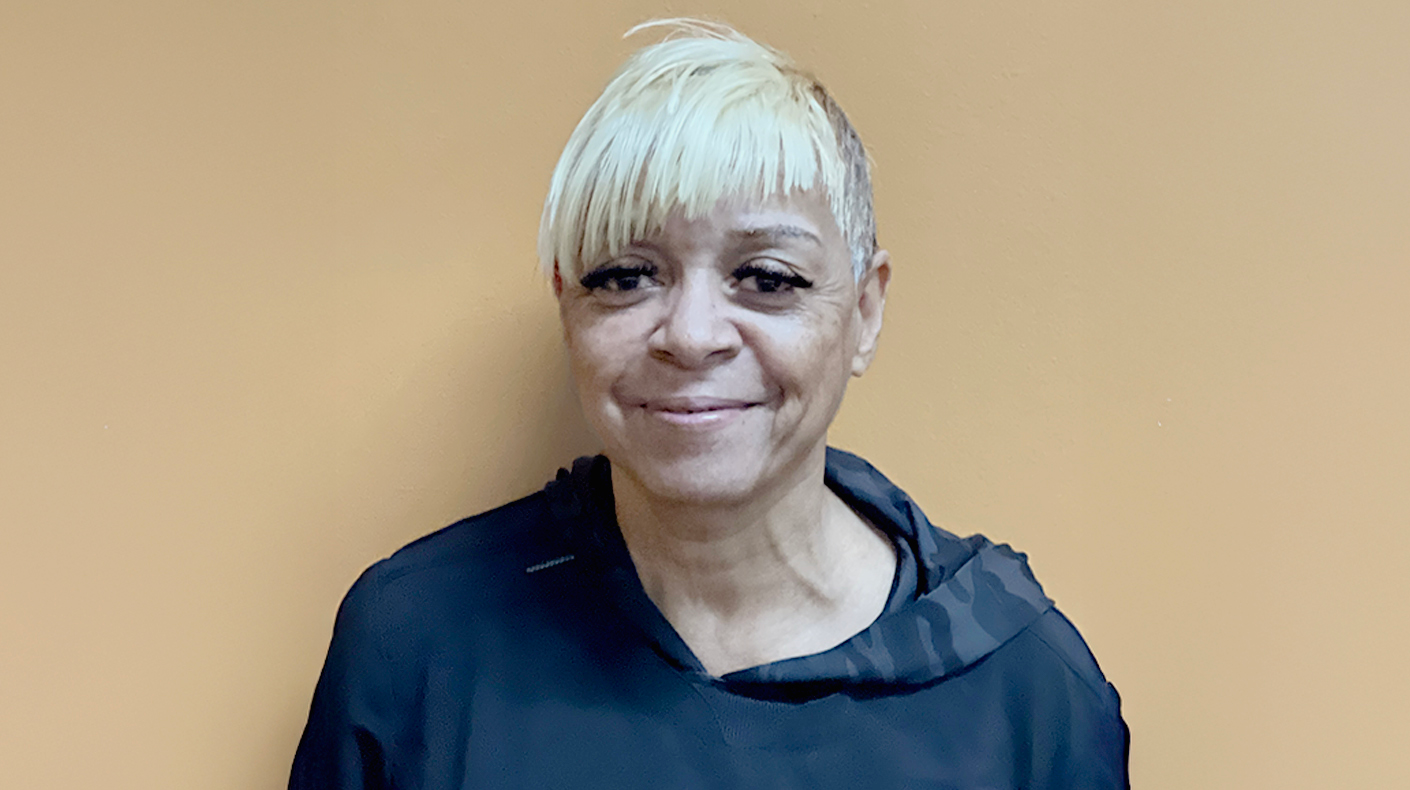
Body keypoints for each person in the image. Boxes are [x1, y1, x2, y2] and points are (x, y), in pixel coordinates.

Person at [290, 19, 1129, 789]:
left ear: (864, 312)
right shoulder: (416, 649)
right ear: (567, 306)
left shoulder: (1027, 696)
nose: (690, 336)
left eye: (767, 278)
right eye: (625, 276)